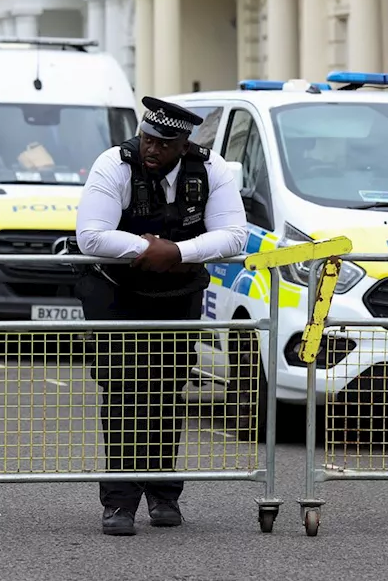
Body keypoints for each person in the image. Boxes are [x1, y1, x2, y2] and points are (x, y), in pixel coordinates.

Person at [74, 96, 248, 536]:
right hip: (116, 292)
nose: (152, 149)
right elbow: (91, 237)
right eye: (148, 139)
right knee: (123, 389)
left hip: (177, 292)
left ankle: (164, 494)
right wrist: (145, 249)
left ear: (184, 144)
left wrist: (177, 252)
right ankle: (119, 503)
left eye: (164, 144)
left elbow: (234, 236)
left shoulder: (212, 169)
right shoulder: (114, 163)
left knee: (167, 388)